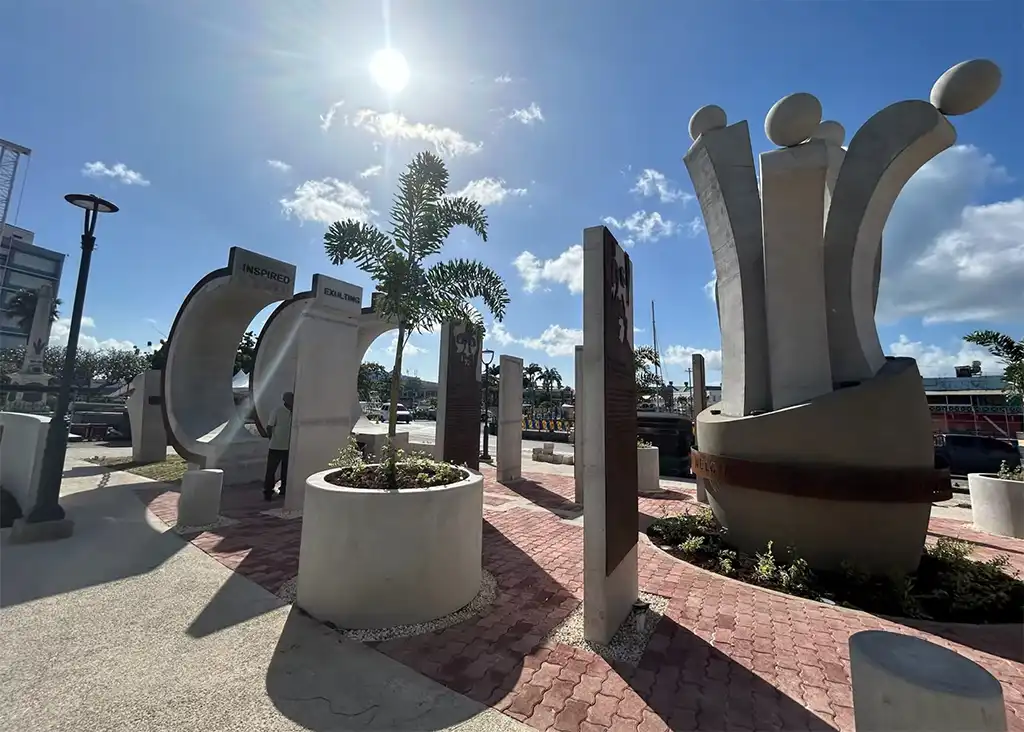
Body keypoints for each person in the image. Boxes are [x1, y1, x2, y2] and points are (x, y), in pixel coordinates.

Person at [264, 391, 293, 501]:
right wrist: (272, 439)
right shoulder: (277, 411)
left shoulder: (295, 412)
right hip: (276, 446)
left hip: (289, 447)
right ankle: (268, 492)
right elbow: (269, 427)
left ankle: (284, 489)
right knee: (271, 470)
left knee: (286, 470)